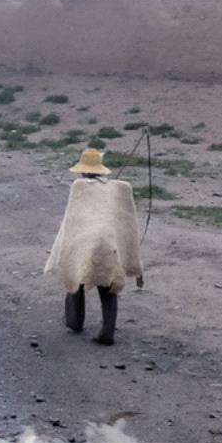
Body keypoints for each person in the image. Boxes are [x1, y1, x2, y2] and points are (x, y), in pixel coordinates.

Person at [43, 146, 143, 345]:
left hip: (84, 242)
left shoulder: (79, 187)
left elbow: (71, 221)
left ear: (82, 170)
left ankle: (75, 322)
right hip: (109, 244)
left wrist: (66, 247)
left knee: (76, 278)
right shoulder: (118, 189)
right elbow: (126, 222)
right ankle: (108, 332)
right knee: (108, 288)